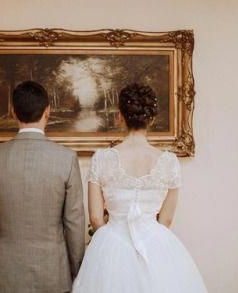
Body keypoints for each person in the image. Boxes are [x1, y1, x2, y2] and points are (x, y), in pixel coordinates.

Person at [73, 83, 208, 293]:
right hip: (155, 242)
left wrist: (111, 243)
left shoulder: (101, 159)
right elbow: (166, 220)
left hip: (111, 241)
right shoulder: (169, 162)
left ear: (120, 117)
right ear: (151, 119)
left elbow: (96, 218)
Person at [0, 81, 85, 293]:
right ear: (47, 112)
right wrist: (77, 267)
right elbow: (74, 221)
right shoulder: (66, 159)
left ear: (13, 112)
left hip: (3, 273)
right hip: (54, 273)